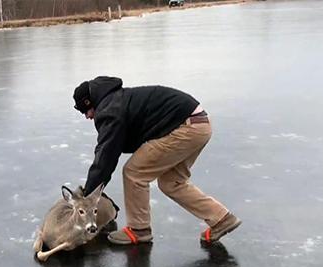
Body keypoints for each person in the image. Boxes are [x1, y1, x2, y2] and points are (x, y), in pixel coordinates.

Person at [73, 76, 241, 245]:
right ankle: (221, 219)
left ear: (89, 102)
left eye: (85, 111)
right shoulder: (117, 99)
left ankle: (139, 230)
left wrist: (89, 193)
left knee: (134, 172)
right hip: (200, 124)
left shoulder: (110, 109)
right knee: (172, 182)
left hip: (185, 127)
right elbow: (113, 145)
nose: (87, 117)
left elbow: (106, 154)